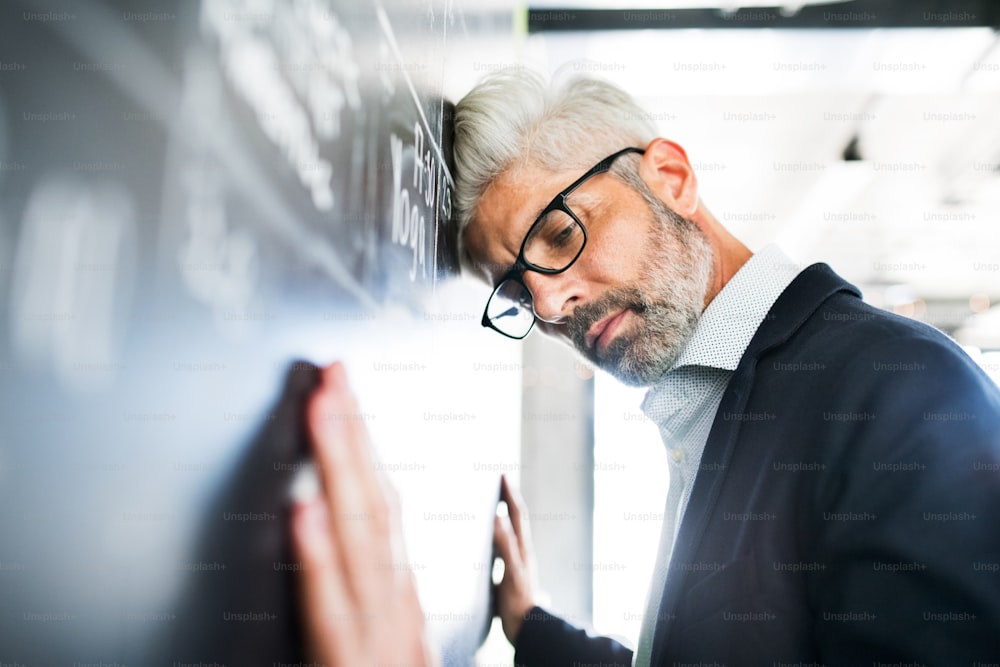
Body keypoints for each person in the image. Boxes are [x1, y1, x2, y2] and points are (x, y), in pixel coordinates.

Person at [290, 71, 1000, 666]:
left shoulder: (900, 392)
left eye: (562, 232)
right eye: (514, 288)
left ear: (671, 176)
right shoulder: (717, 406)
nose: (548, 301)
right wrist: (533, 628)